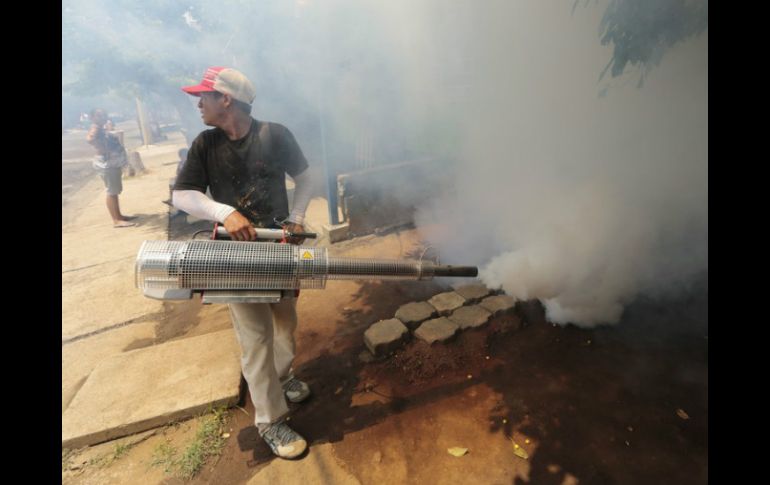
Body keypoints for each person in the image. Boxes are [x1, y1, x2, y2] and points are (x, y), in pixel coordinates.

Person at [173, 66, 316, 460]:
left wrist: (297, 217)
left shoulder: (275, 135)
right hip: (234, 258)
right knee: (255, 339)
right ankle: (270, 420)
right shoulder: (206, 144)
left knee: (285, 323)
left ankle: (282, 376)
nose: (198, 104)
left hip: (279, 248)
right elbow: (183, 195)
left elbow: (306, 177)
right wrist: (224, 212)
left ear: (226, 99)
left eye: (203, 96)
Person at [87, 108, 136, 228]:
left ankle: (119, 216)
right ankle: (116, 220)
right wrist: (100, 146)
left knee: (114, 191)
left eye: (104, 115)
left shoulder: (102, 128)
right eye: (99, 115)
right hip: (106, 163)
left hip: (111, 162)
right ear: (92, 118)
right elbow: (90, 139)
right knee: (111, 191)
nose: (103, 117)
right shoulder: (96, 128)